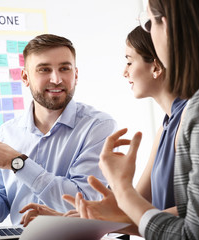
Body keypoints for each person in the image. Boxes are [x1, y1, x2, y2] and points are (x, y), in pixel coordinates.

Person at [67, 0, 199, 239]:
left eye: (149, 22)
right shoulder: (172, 120)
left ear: (169, 24)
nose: (124, 71)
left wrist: (122, 189)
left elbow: (198, 232)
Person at [20, 26, 187, 230]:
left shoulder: (189, 116)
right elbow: (138, 208)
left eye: (129, 61)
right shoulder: (167, 124)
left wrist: (120, 186)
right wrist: (68, 219)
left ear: (156, 66)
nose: (124, 71)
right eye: (44, 69)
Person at [0, 34, 117, 225]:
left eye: (64, 69)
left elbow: (83, 202)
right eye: (44, 69)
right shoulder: (6, 133)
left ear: (75, 75)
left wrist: (19, 164)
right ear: (25, 77)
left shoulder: (98, 127)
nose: (56, 79)